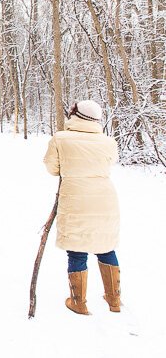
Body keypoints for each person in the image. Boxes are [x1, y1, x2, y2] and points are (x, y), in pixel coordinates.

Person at [43, 100, 121, 315]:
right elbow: (109, 163)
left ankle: (78, 302)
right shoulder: (108, 141)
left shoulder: (60, 138)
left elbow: (52, 168)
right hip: (105, 198)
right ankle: (114, 300)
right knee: (105, 245)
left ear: (74, 115)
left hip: (76, 197)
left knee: (77, 250)